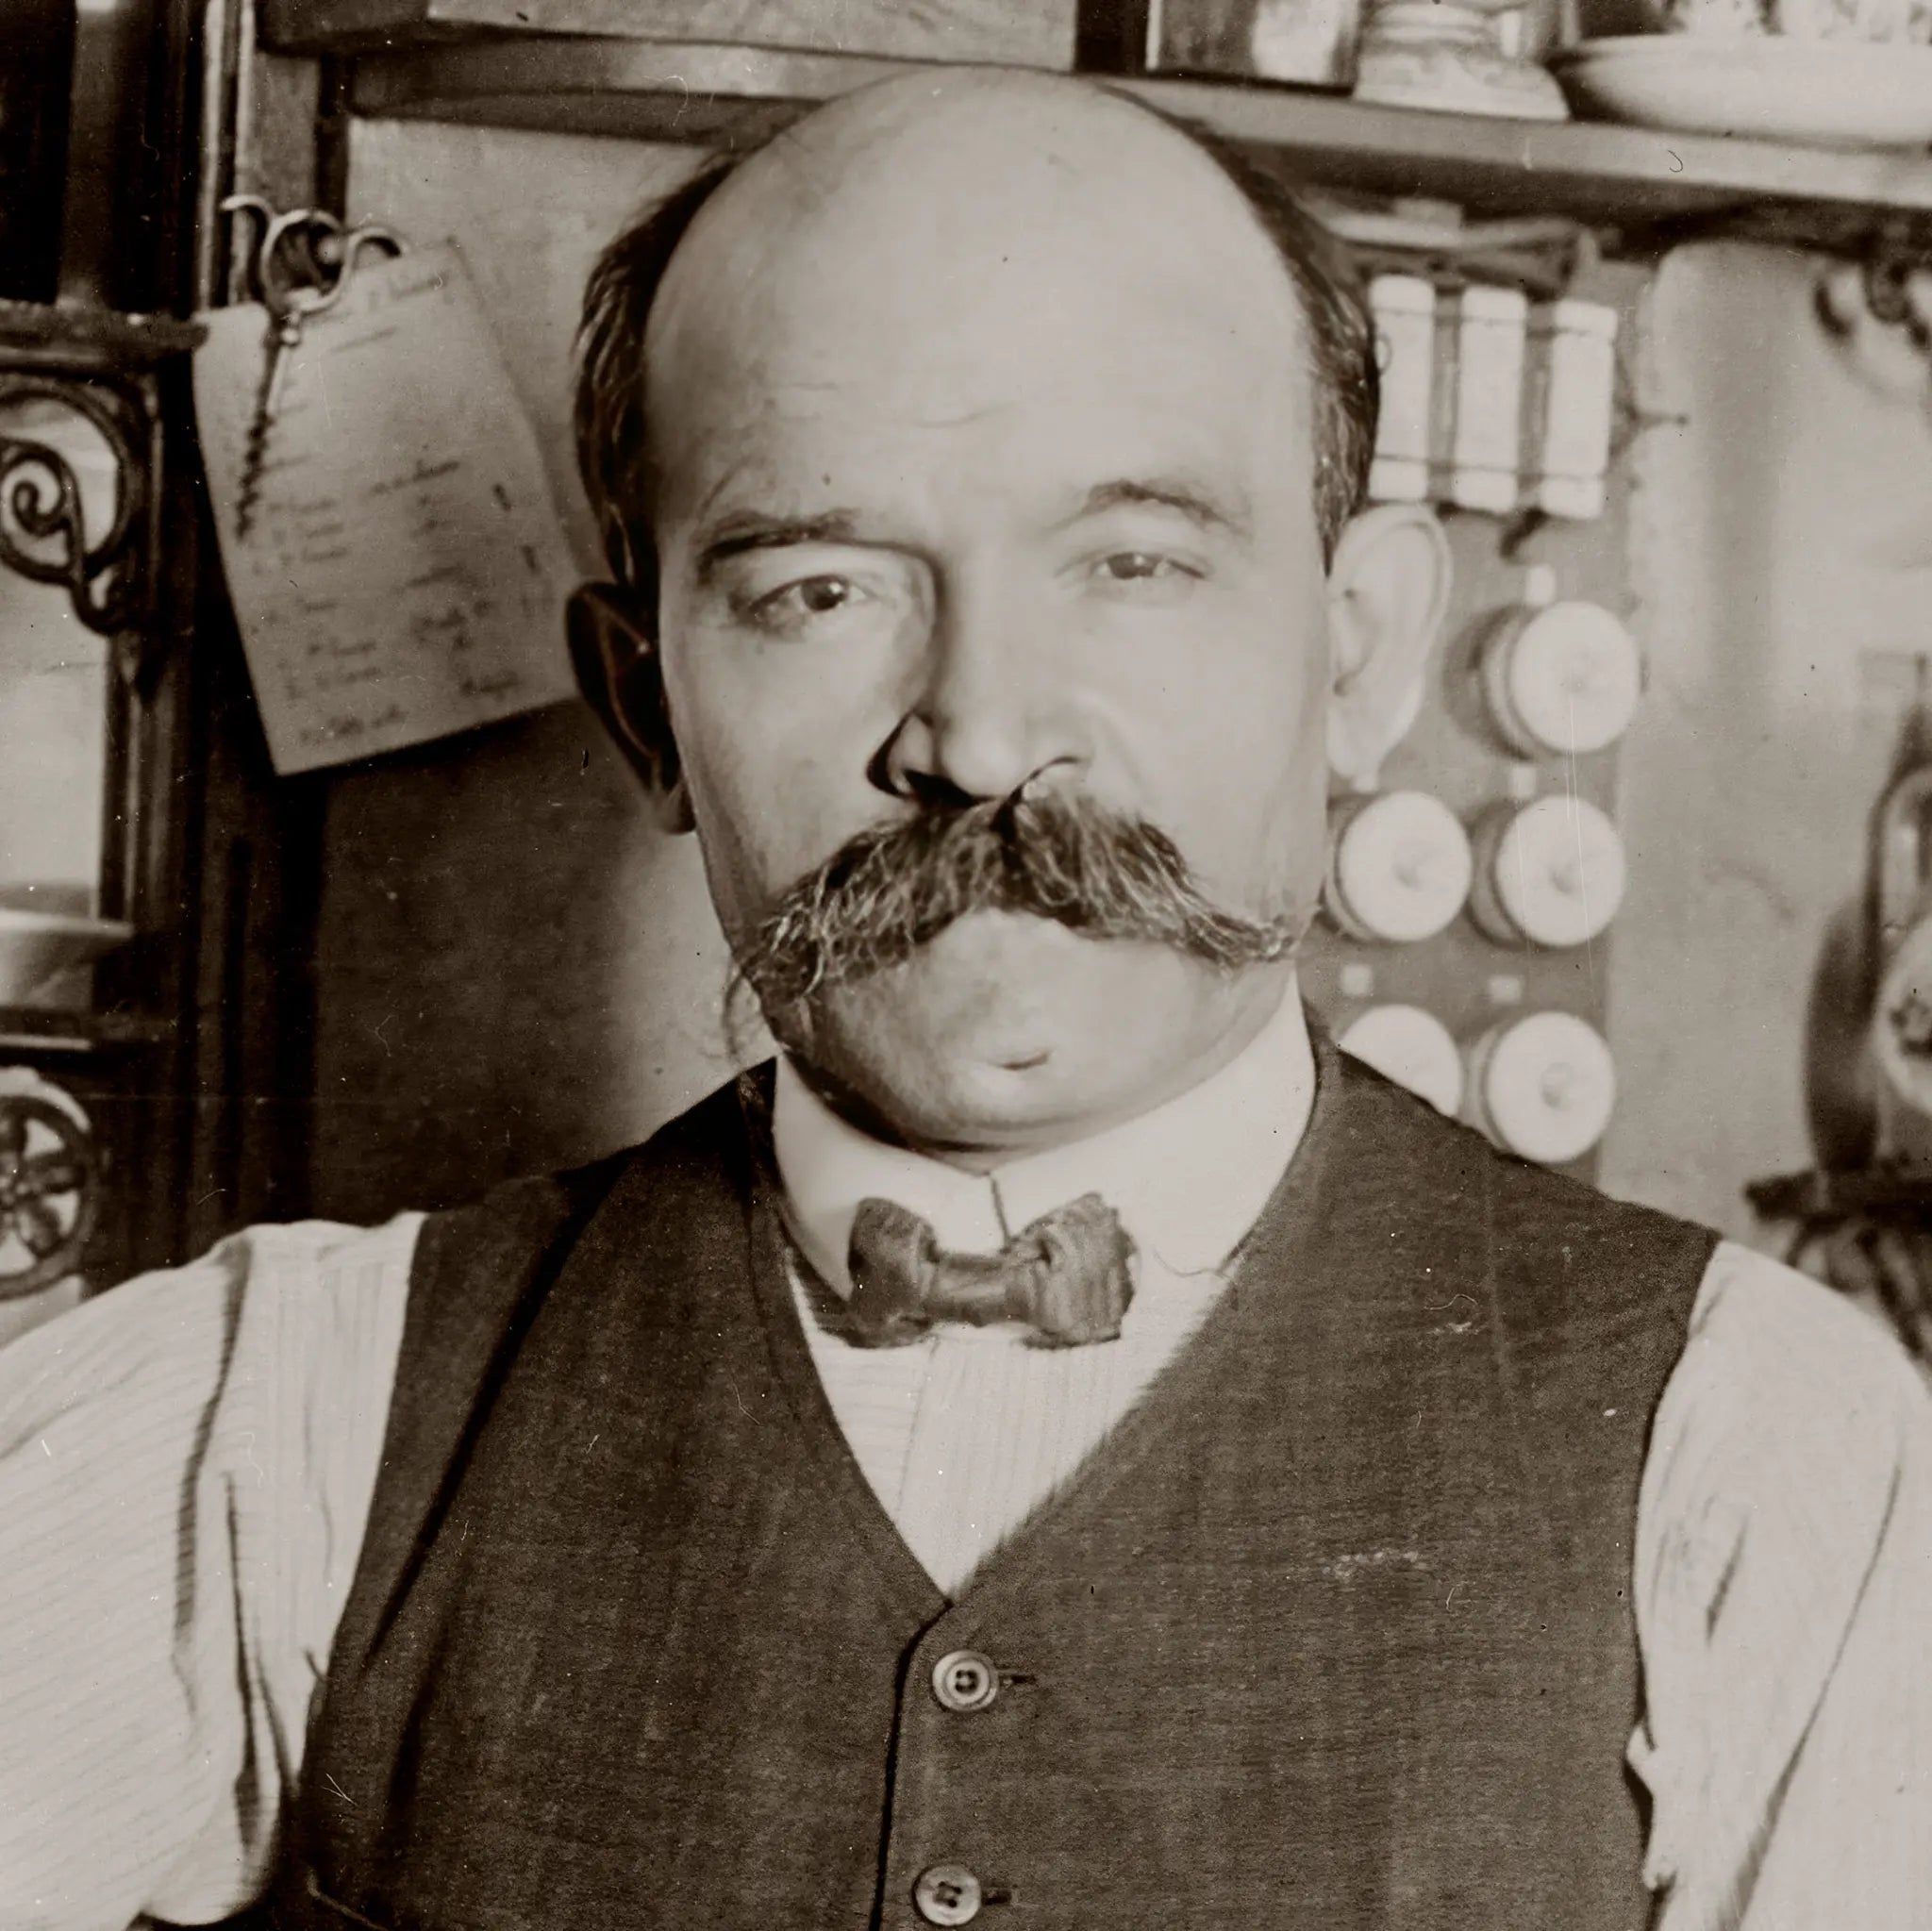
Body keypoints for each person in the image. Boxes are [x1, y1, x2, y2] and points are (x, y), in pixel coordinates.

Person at [3, 66, 1930, 1931]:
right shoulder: (276, 1424)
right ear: (645, 703)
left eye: (1134, 564)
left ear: (1355, 660)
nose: (983, 730)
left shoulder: (1763, 1467)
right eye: (819, 591)